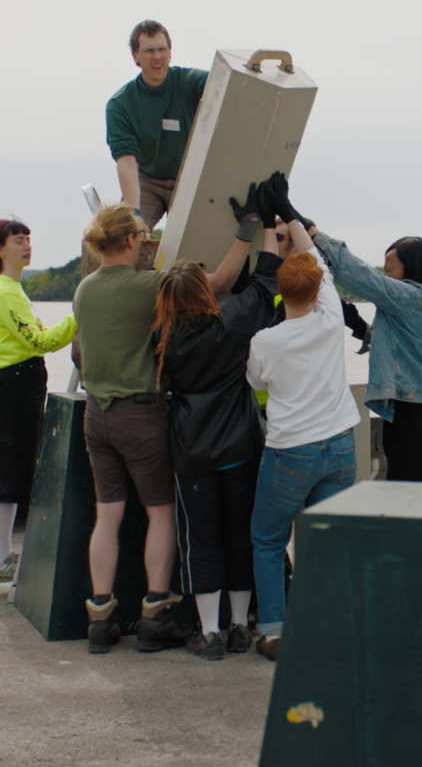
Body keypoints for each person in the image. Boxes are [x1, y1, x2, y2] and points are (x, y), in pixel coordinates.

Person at [73, 203, 248, 654]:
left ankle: (100, 617)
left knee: (107, 516)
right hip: (140, 414)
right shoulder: (148, 285)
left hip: (97, 416)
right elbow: (220, 283)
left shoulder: (85, 290)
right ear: (131, 241)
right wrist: (247, 232)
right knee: (161, 513)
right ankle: (155, 614)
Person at [264, 172, 422, 484]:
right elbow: (403, 347)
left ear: (411, 270)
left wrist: (309, 228)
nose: (384, 275)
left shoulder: (412, 297)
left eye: (389, 270)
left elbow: (358, 274)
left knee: (413, 500)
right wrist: (360, 327)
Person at [152, 187, 282, 660]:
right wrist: (261, 225)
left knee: (201, 541)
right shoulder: (232, 321)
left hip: (192, 453)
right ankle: (240, 626)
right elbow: (266, 282)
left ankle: (207, 633)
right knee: (240, 537)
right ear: (208, 292)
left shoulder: (162, 341)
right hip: (240, 447)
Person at [245, 199, 360, 662]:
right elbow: (322, 268)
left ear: (279, 290)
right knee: (324, 539)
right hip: (340, 446)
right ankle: (325, 623)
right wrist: (291, 217)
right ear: (315, 293)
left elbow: (256, 382)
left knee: (268, 539)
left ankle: (273, 630)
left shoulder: (265, 340)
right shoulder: (332, 320)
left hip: (291, 450)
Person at [0, 218, 76, 581]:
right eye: (18, 240)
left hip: (23, 382)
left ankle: (3, 555)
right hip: (15, 384)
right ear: (0, 249)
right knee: (6, 469)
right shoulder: (5, 291)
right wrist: (78, 318)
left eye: (28, 240)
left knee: (15, 466)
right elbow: (40, 342)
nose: (26, 246)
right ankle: (1, 558)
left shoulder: (11, 288)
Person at [106, 20, 208, 244]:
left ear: (170, 52)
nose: (157, 57)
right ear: (135, 56)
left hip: (188, 178)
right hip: (148, 178)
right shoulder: (121, 104)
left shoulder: (188, 82)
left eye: (162, 49)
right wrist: (135, 213)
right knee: (127, 237)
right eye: (149, 50)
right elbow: (126, 161)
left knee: (195, 243)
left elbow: (222, 82)